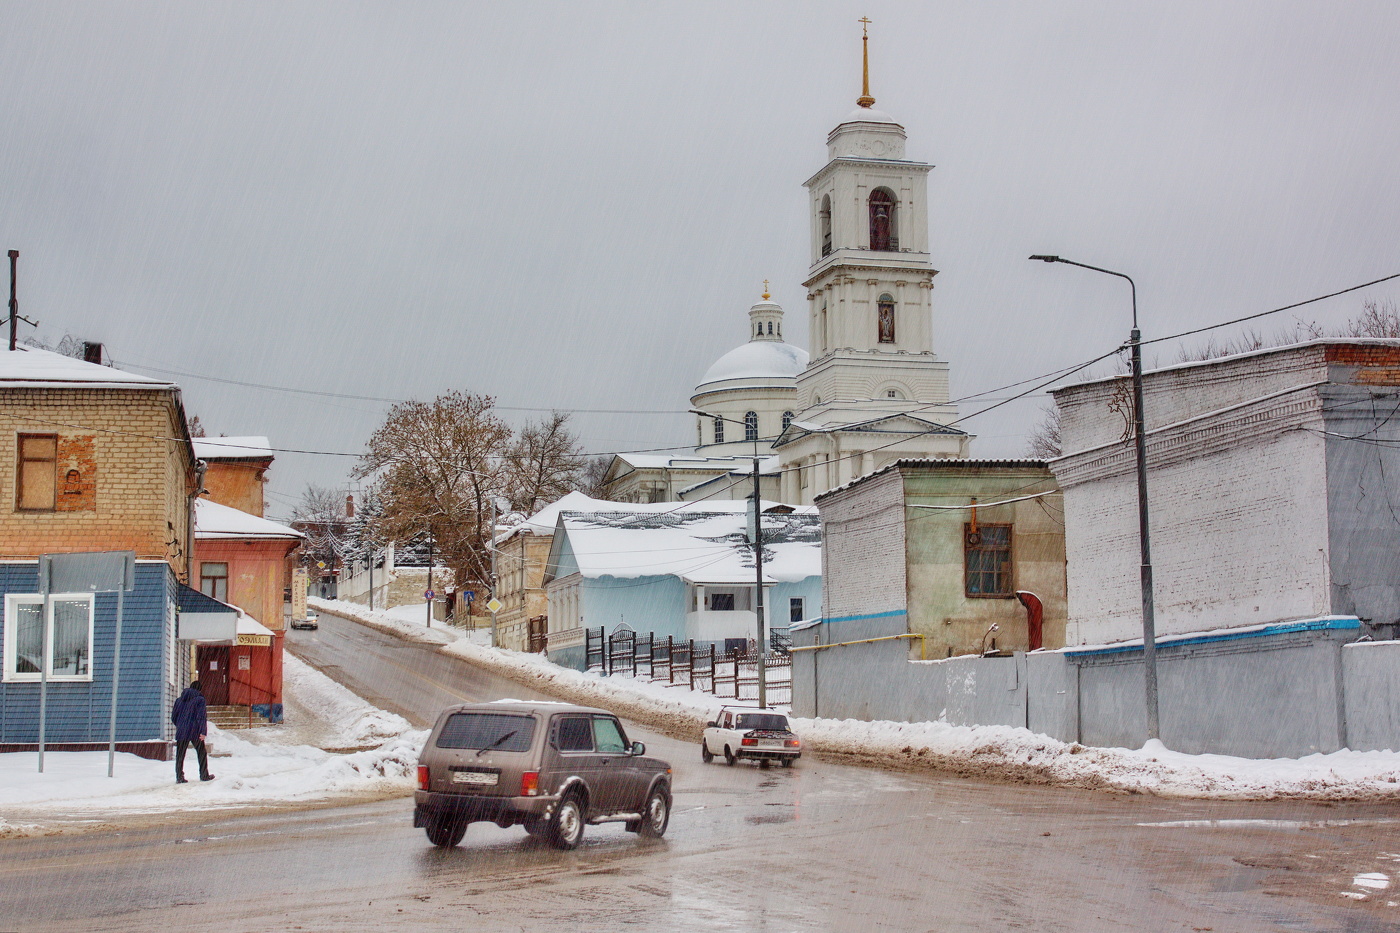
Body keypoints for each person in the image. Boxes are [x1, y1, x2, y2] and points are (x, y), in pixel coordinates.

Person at [171, 680, 215, 784]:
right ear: (199, 689)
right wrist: (203, 731)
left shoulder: (179, 700)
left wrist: (181, 725)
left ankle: (179, 777)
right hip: (195, 731)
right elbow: (201, 717)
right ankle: (204, 775)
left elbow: (173, 717)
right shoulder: (200, 700)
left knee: (180, 755)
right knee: (201, 753)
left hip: (182, 731)